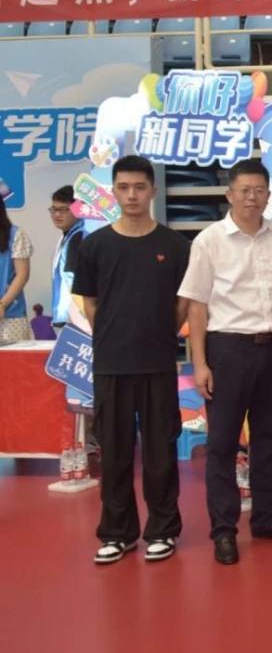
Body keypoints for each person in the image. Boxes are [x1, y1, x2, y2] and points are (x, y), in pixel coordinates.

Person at [179, 159, 272, 565]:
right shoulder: (209, 240)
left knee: (268, 439)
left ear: (269, 195)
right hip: (227, 349)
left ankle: (266, 518)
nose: (252, 197)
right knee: (222, 444)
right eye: (244, 190)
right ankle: (224, 530)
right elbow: (197, 307)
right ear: (229, 194)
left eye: (259, 190)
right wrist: (200, 364)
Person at [72, 156, 190, 565]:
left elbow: (183, 303)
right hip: (111, 365)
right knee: (115, 454)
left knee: (160, 453)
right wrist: (113, 337)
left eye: (140, 187)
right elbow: (90, 303)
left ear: (152, 190)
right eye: (123, 187)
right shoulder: (94, 246)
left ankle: (163, 529)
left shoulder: (175, 246)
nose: (132, 195)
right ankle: (116, 533)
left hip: (158, 364)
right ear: (114, 191)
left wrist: (160, 335)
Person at [48, 185, 85, 328]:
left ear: (78, 210)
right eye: (54, 209)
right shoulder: (68, 236)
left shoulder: (78, 237)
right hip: (69, 318)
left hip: (76, 320)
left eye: (64, 210)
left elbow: (74, 280)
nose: (57, 215)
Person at [0, 193, 34, 342]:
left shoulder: (15, 235)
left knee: (12, 356)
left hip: (10, 315)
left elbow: (22, 275)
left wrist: (2, 304)